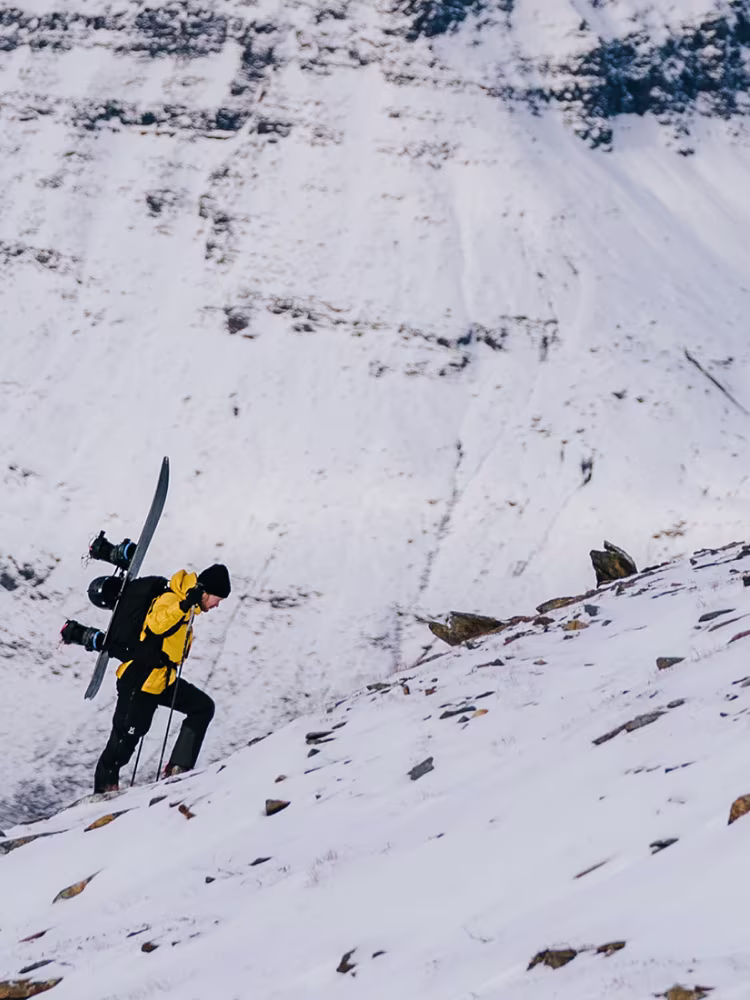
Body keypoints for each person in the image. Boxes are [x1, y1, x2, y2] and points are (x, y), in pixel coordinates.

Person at [93, 563, 231, 794]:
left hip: (162, 680)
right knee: (124, 741)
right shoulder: (172, 598)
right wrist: (183, 605)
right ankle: (102, 792)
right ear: (206, 592)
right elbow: (156, 625)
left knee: (202, 707)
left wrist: (186, 606)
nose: (217, 605)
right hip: (140, 680)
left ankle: (178, 769)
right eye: (218, 599)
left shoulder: (187, 605)